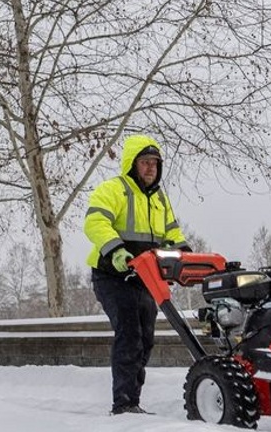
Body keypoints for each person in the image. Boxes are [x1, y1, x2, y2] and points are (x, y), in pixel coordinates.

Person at [85, 134, 190, 415]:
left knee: (145, 338)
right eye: (145, 162)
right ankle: (124, 404)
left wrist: (185, 254)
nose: (150, 168)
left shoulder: (159, 200)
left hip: (145, 277)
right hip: (112, 275)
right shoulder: (113, 190)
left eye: (155, 163)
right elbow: (95, 222)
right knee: (130, 334)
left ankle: (134, 400)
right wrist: (116, 250)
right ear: (132, 164)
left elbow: (172, 233)